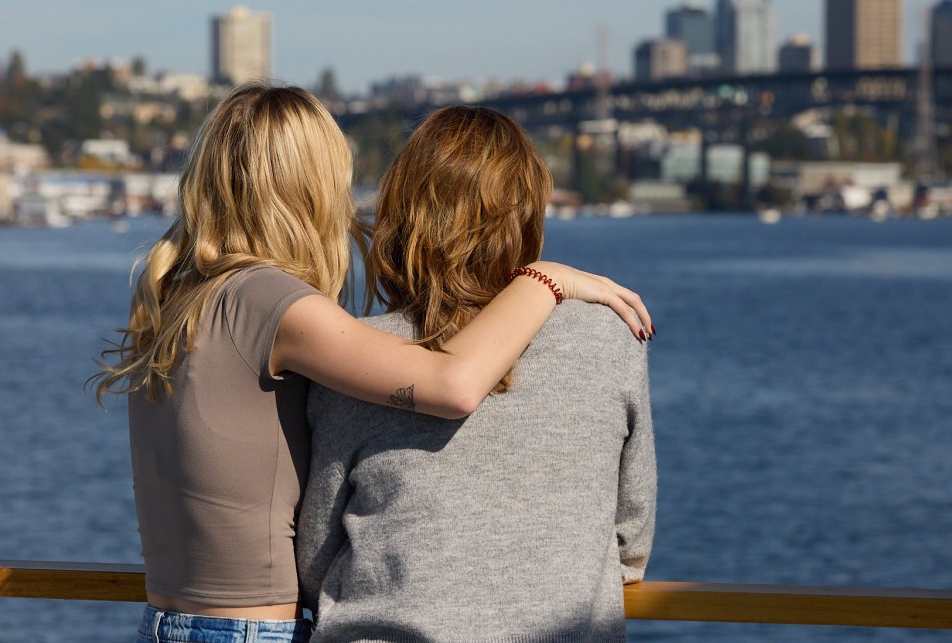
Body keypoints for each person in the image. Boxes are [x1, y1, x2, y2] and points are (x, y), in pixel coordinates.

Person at [92, 85, 653, 643]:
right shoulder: (272, 303)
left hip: (169, 622)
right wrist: (546, 280)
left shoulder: (185, 299)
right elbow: (452, 383)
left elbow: (316, 544)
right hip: (246, 630)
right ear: (308, 188)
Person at [296, 106, 657, 642]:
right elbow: (632, 540)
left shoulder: (359, 355)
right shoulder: (609, 338)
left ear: (403, 217)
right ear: (528, 217)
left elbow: (315, 558)